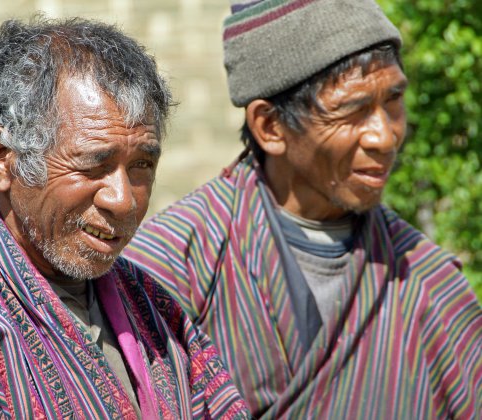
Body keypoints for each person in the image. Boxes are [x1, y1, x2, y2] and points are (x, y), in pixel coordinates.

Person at [0, 17, 250, 419]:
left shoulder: (149, 305)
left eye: (142, 165)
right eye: (94, 166)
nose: (124, 199)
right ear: (2, 160)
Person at [124, 0, 482, 418]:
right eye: (353, 110)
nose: (385, 137)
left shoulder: (430, 284)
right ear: (270, 127)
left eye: (394, 100)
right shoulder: (166, 272)